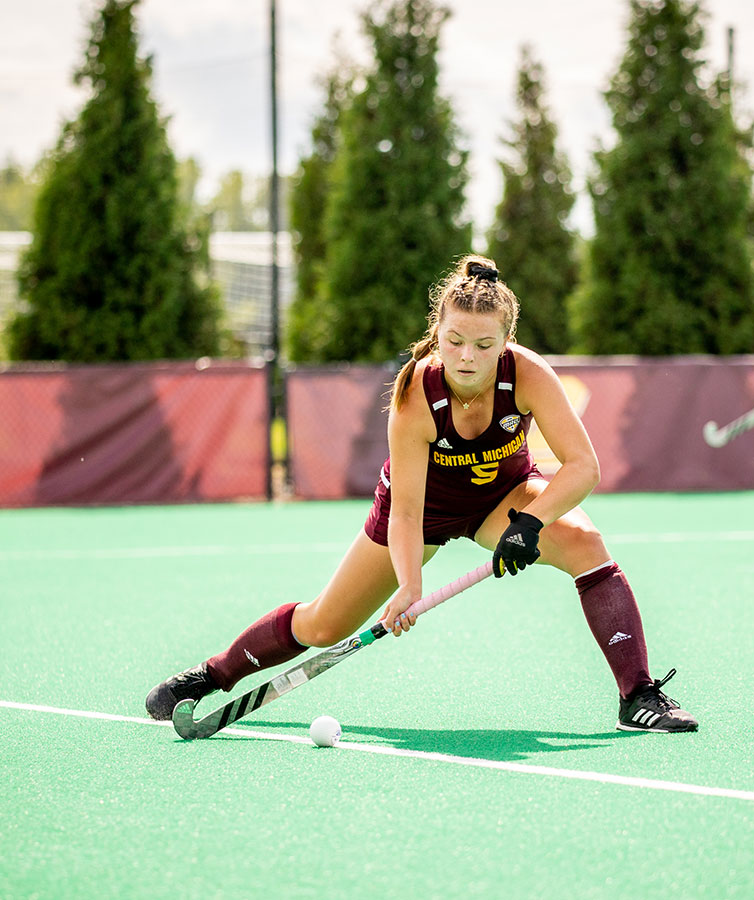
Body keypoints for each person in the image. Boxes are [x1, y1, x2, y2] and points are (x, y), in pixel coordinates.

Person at [146, 255, 697, 733]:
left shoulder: (528, 375)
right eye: (454, 341)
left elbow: (583, 467)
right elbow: (408, 511)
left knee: (585, 542)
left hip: (501, 498)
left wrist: (530, 523)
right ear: (437, 334)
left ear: (506, 342)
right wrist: (410, 583)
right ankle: (212, 674)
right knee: (324, 625)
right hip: (422, 511)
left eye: (484, 344)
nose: (467, 356)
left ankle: (637, 695)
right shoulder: (416, 393)